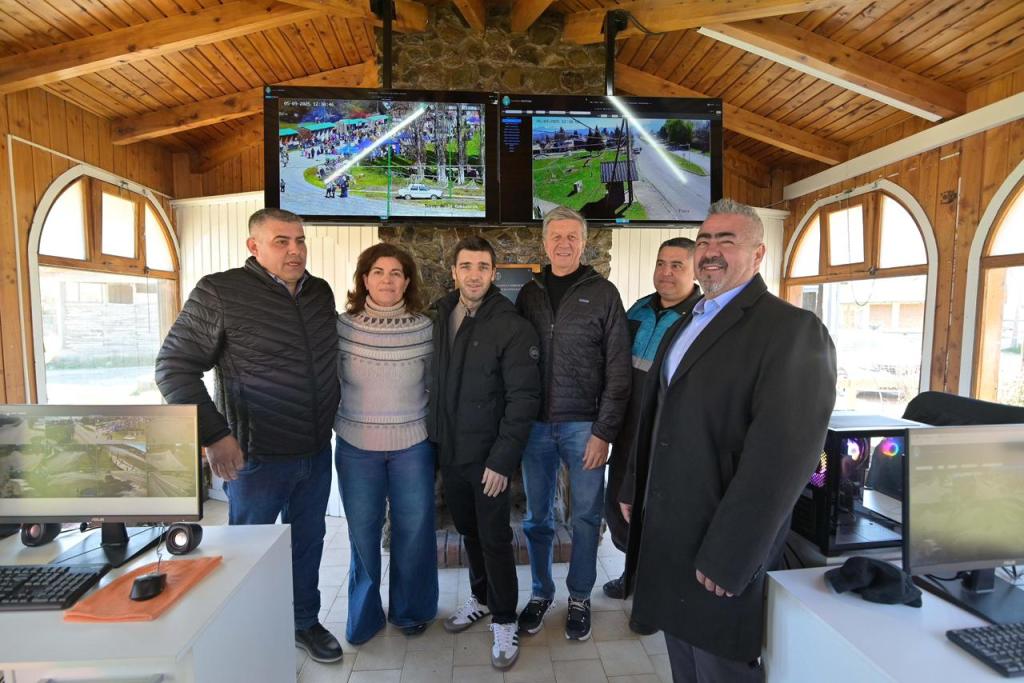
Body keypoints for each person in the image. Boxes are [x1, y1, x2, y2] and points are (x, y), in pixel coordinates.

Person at [620, 198, 837, 682]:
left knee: (720, 668)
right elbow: (656, 414)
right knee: (684, 664)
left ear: (758, 255)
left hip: (718, 545)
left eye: (727, 240)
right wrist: (633, 485)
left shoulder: (792, 331)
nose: (711, 250)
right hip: (669, 535)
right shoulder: (687, 322)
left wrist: (732, 554)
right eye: (704, 240)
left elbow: (786, 458)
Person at [155, 208, 343, 664]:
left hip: (316, 452)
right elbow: (173, 368)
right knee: (248, 552)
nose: (295, 250)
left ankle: (304, 623)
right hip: (256, 458)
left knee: (307, 544)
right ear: (253, 247)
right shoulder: (220, 292)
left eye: (300, 240)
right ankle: (247, 630)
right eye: (282, 241)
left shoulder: (319, 292)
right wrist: (214, 434)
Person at [515, 205, 631, 641]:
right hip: (535, 428)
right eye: (556, 236)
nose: (563, 244)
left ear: (584, 243)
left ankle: (579, 595)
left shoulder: (604, 293)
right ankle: (541, 593)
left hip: (585, 425)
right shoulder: (529, 292)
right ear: (544, 242)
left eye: (572, 237)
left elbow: (618, 369)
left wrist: (605, 431)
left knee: (585, 517)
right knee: (537, 518)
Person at [428, 236, 541, 670]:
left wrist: (502, 460)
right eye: (466, 266)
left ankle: (505, 617)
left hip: (489, 458)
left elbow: (523, 399)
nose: (474, 274)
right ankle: (479, 597)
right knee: (468, 532)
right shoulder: (442, 314)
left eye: (482, 266)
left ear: (494, 273)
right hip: (451, 453)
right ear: (454, 272)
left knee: (494, 538)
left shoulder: (512, 325)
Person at [334, 243, 437, 645]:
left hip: (412, 444)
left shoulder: (425, 328)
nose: (387, 280)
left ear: (407, 280)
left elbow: (437, 384)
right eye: (378, 272)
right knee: (362, 533)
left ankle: (412, 610)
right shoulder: (342, 327)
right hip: (356, 447)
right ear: (364, 279)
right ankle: (363, 616)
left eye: (396, 273)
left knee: (413, 530)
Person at [602, 238, 703, 631]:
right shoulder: (639, 310)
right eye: (662, 263)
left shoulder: (701, 317)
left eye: (678, 265)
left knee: (656, 515)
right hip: (629, 430)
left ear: (694, 270)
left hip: (669, 435)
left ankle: (652, 595)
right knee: (618, 506)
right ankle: (635, 572)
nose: (667, 272)